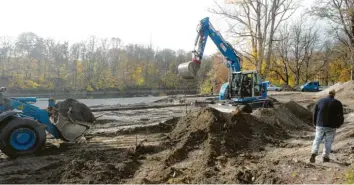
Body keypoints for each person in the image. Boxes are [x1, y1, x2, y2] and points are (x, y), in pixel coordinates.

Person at [310, 89, 344, 163]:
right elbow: (341, 116)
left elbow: (315, 113)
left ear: (327, 94)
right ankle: (325, 157)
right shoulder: (338, 103)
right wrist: (339, 124)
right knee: (328, 141)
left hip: (320, 124)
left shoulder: (320, 101)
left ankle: (314, 152)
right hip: (332, 125)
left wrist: (314, 123)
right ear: (334, 94)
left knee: (317, 139)